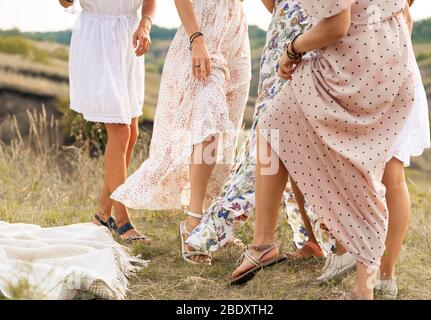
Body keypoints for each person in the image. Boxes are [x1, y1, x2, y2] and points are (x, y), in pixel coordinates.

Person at [231, 0, 415, 300]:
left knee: (276, 128)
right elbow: (403, 13)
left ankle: (267, 246)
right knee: (358, 163)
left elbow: (335, 25)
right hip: (390, 56)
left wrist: (292, 50)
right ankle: (362, 282)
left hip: (352, 61)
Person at [186, 0, 335, 261]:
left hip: (293, 36)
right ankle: (318, 241)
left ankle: (216, 233)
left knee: (273, 139)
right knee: (297, 142)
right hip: (312, 36)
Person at [111, 0, 251, 265]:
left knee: (225, 132)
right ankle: (193, 222)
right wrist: (197, 39)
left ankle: (213, 221)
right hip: (199, 31)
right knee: (208, 120)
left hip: (237, 36)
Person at [314, 0, 430, 300]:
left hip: (377, 81)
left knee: (371, 173)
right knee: (389, 177)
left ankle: (358, 260)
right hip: (396, 74)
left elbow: (341, 26)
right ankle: (384, 275)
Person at [62, 0, 156, 241]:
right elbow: (65, 2)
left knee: (132, 132)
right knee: (121, 132)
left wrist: (145, 24)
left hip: (129, 39)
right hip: (98, 40)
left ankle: (103, 215)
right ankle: (123, 221)